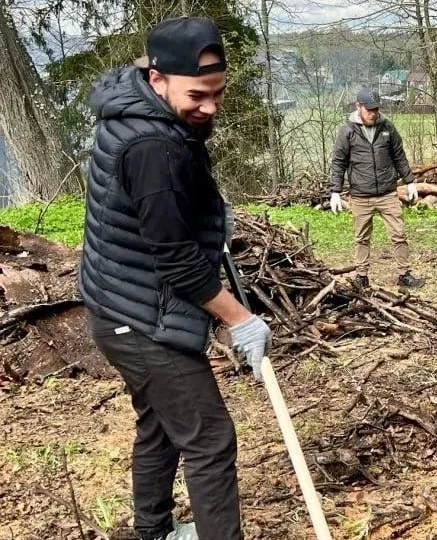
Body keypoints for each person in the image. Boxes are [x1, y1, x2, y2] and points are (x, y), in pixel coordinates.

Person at [79, 17, 269, 540]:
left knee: (161, 423)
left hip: (117, 301)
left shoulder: (136, 104)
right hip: (139, 318)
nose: (210, 107)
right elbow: (176, 259)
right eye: (197, 96)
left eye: (218, 93)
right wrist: (240, 319)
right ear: (158, 79)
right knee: (209, 438)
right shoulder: (152, 147)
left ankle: (155, 531)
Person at [329, 89, 425, 289]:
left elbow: (399, 155)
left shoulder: (387, 127)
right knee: (361, 238)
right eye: (369, 109)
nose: (373, 113)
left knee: (399, 234)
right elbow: (338, 162)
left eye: (376, 109)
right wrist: (335, 191)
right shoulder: (347, 131)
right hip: (360, 195)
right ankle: (361, 276)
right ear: (359, 106)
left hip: (387, 193)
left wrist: (409, 181)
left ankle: (404, 274)